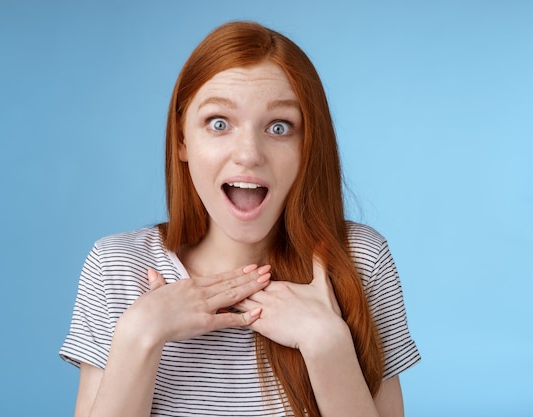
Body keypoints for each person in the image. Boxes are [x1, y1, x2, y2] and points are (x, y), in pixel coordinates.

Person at [60, 21, 420, 417]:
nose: (249, 153)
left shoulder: (360, 260)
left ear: (307, 146)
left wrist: (326, 342)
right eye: (219, 123)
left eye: (279, 127)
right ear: (182, 140)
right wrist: (140, 334)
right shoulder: (117, 266)